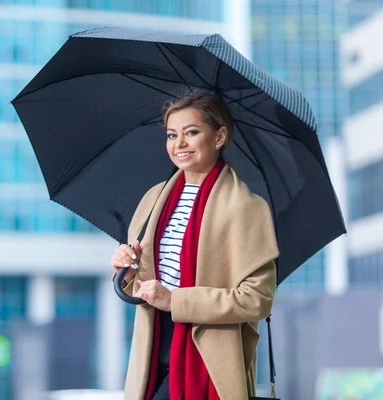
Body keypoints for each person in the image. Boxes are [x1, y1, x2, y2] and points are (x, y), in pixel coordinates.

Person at [110, 91, 279, 400]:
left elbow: (257, 300)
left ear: (219, 136)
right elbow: (139, 284)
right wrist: (126, 268)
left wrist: (176, 300)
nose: (179, 144)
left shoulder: (247, 209)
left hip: (208, 360)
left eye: (191, 132)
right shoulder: (153, 200)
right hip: (153, 348)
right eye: (172, 135)